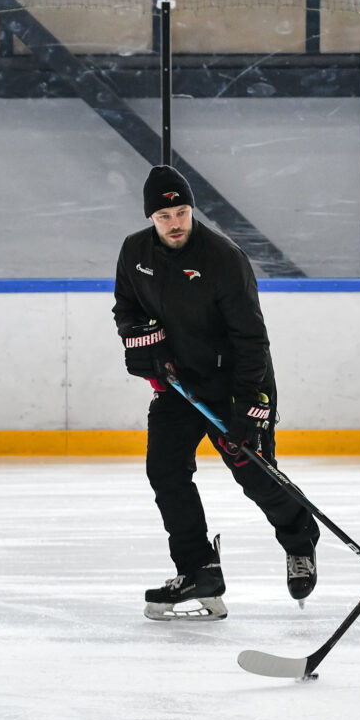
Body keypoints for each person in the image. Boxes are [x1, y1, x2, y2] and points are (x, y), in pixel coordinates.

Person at [113, 164, 320, 621]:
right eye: (165, 216)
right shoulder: (134, 253)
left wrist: (250, 408)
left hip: (234, 386)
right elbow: (125, 309)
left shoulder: (223, 258)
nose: (175, 223)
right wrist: (144, 341)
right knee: (165, 472)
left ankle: (299, 535)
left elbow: (252, 340)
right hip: (177, 387)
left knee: (254, 475)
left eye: (182, 212)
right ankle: (198, 569)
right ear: (151, 217)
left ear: (192, 210)